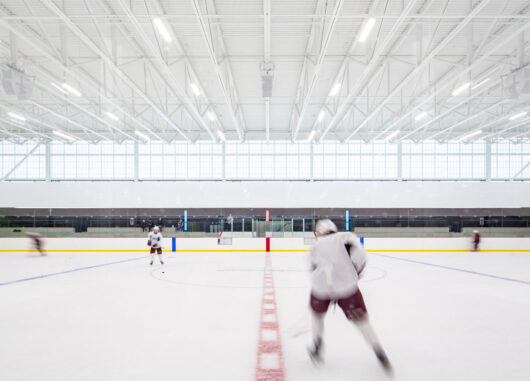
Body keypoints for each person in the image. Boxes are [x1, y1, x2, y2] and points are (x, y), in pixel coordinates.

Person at [308, 219, 391, 372]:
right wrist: (354, 273)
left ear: (319, 233)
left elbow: (312, 269)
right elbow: (361, 256)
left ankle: (317, 345)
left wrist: (328, 287)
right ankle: (379, 352)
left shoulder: (316, 246)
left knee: (317, 316)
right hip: (347, 288)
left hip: (321, 289)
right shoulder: (346, 237)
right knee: (361, 321)